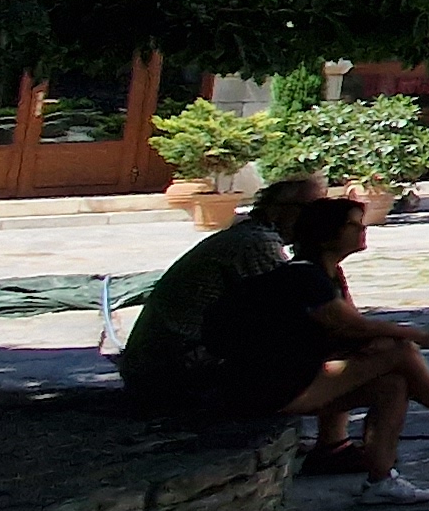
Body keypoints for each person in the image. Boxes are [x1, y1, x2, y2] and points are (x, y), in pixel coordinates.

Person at [200, 198, 429, 504]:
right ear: (326, 235)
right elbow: (354, 326)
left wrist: (376, 341)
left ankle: (381, 480)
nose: (362, 230)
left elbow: (349, 332)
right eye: (353, 225)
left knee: (392, 385)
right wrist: (417, 335)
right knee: (400, 352)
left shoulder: (327, 275)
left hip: (291, 378)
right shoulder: (304, 277)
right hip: (263, 387)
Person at [118, 175, 329, 408]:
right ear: (279, 209)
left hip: (166, 363)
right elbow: (301, 311)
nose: (320, 218)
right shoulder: (255, 244)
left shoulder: (251, 235)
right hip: (170, 370)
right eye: (313, 209)